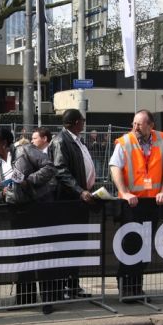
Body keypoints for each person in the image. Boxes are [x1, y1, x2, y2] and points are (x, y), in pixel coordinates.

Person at [0, 126, 59, 314]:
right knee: (23, 257)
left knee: (43, 255)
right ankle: (25, 299)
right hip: (17, 214)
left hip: (38, 209)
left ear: (4, 143)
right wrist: (2, 194)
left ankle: (48, 300)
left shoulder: (24, 151)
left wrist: (29, 181)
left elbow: (49, 167)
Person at [109, 109, 163, 300]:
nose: (135, 127)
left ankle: (137, 288)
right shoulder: (125, 142)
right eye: (134, 123)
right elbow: (115, 168)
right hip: (131, 203)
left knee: (145, 246)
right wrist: (124, 192)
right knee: (130, 244)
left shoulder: (162, 140)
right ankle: (125, 287)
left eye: (139, 124)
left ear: (151, 125)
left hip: (152, 202)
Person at [48, 109, 95, 300]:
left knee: (77, 244)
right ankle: (62, 287)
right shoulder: (61, 141)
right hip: (68, 202)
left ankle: (73, 285)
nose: (84, 123)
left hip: (80, 200)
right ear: (76, 122)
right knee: (66, 245)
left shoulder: (76, 140)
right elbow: (60, 170)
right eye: (82, 120)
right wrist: (80, 190)